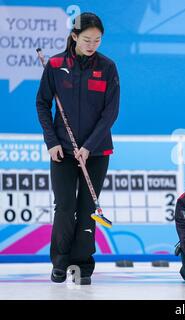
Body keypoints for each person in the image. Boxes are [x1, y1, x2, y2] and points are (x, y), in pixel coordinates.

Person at [36, 12, 120, 285]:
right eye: (87, 39)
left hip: (96, 152)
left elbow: (110, 112)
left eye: (97, 40)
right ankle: (59, 263)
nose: (92, 44)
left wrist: (89, 146)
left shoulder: (107, 67)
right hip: (62, 151)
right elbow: (43, 104)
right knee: (64, 207)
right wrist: (51, 141)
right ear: (74, 37)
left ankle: (83, 264)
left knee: (87, 209)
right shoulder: (56, 64)